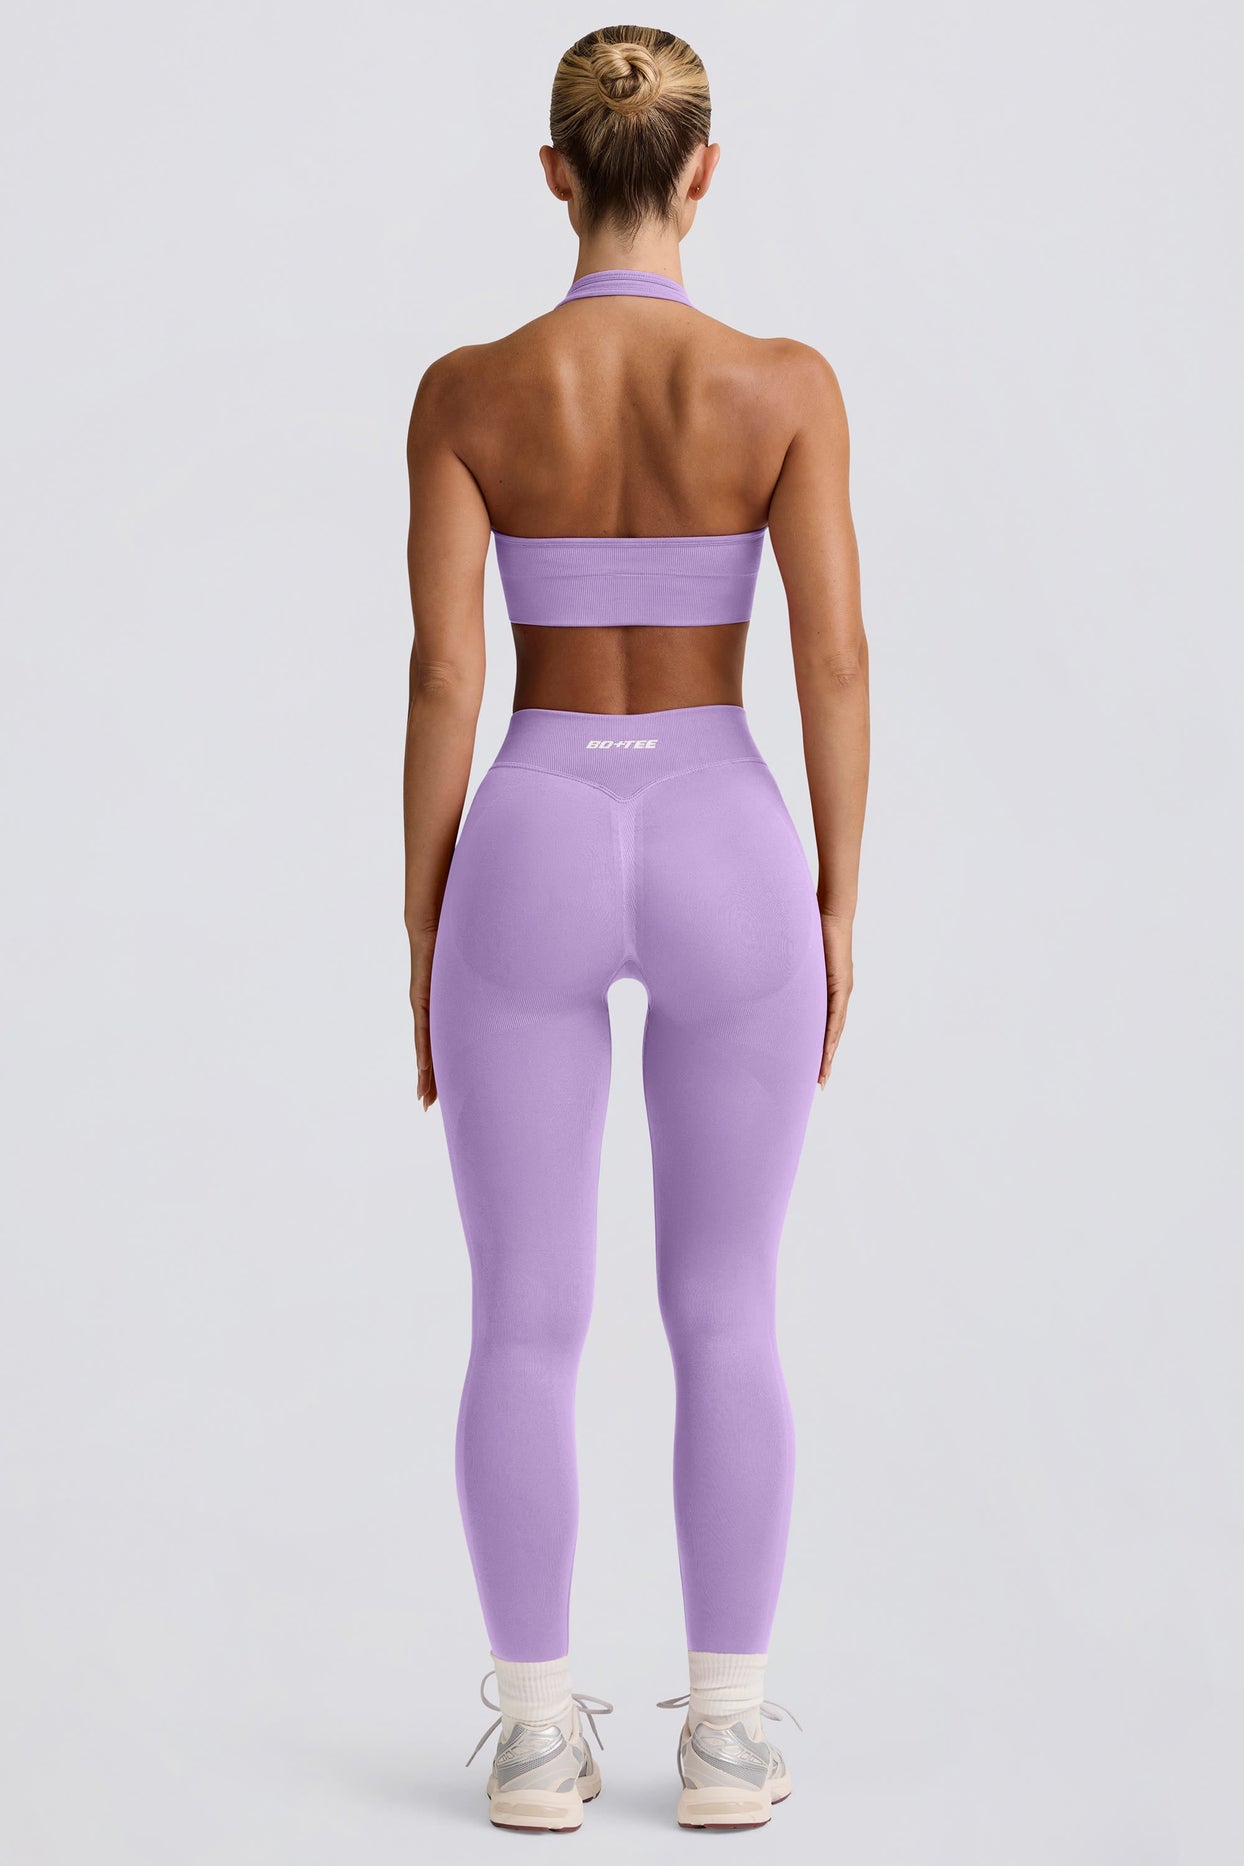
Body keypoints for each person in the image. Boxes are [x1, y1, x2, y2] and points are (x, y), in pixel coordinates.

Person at [402, 23, 869, 1833]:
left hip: (526, 824)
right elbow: (832, 656)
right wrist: (840, 896)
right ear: (702, 173)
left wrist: (423, 922)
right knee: (727, 1305)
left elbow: (449, 676)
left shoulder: (468, 392)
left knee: (522, 1318)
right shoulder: (784, 385)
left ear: (554, 175)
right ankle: (728, 1738)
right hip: (723, 831)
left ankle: (536, 1739)